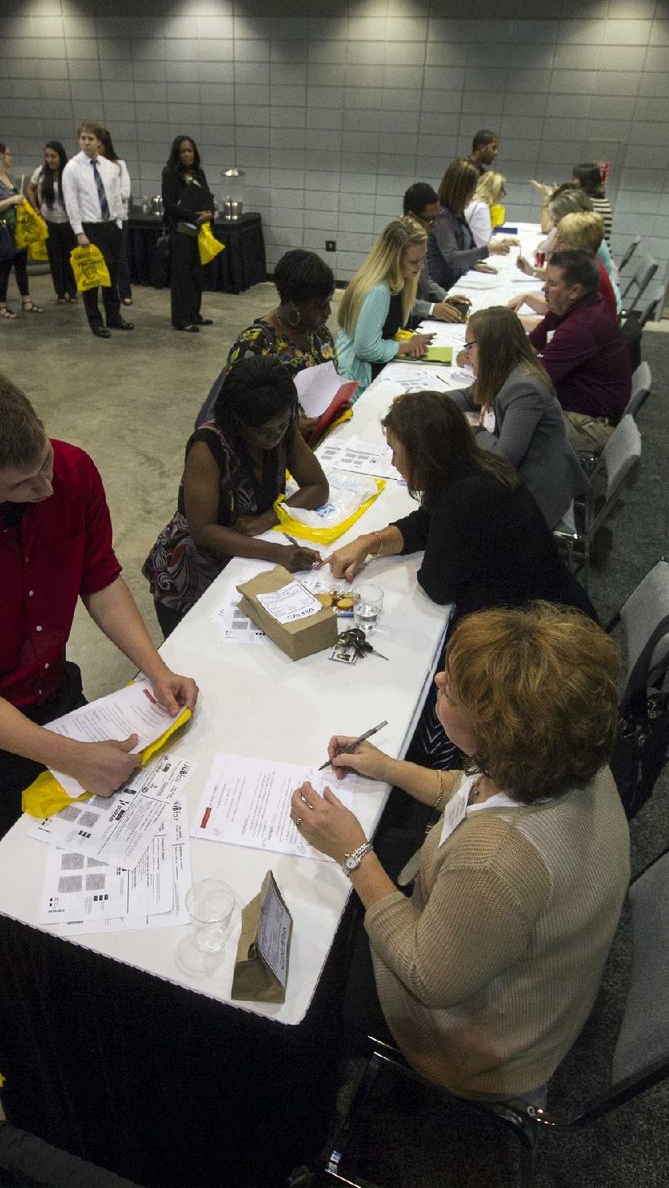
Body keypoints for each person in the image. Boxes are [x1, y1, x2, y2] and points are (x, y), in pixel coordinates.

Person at [290, 602, 629, 1101]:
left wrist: (353, 854)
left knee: (311, 968)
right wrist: (387, 768)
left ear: (497, 732)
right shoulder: (565, 757)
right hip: (515, 951)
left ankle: (317, 1088)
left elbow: (429, 978)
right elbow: (473, 792)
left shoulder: (495, 862)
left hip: (478, 1040)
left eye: (456, 690)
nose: (440, 679)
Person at [0, 365, 197, 859]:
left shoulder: (73, 470)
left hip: (52, 695)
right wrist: (74, 759)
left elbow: (101, 579)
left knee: (94, 839)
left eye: (44, 460)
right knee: (11, 862)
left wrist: (156, 670)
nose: (46, 487)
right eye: (23, 484)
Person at [327, 390, 595, 620]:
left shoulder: (464, 497)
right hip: (550, 605)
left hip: (546, 633)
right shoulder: (472, 466)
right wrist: (368, 542)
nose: (393, 462)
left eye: (395, 451)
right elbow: (425, 522)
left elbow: (436, 586)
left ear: (421, 454)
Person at [144, 355, 328, 638]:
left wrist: (269, 517)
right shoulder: (209, 446)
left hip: (245, 561)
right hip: (191, 575)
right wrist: (278, 553)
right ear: (237, 420)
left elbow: (317, 486)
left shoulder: (283, 427)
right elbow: (203, 530)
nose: (274, 438)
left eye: (280, 427)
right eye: (262, 432)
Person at [448, 307, 588, 529]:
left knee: (454, 511)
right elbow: (468, 396)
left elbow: (504, 457)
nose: (466, 355)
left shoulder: (523, 387)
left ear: (491, 347)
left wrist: (473, 431)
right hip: (525, 478)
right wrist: (428, 402)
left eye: (470, 346)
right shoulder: (504, 370)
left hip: (537, 495)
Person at [196, 248, 336, 431]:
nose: (328, 312)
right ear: (294, 303)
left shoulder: (319, 333)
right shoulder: (255, 345)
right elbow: (235, 414)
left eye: (329, 302)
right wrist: (288, 427)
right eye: (320, 306)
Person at [530, 250, 631, 452]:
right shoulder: (567, 308)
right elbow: (531, 344)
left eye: (552, 283)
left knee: (511, 422)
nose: (544, 288)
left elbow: (531, 380)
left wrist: (488, 365)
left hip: (593, 425)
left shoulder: (582, 326)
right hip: (576, 410)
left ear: (574, 291)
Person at [335, 219, 435, 395]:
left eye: (423, 258)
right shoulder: (379, 291)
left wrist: (407, 344)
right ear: (394, 259)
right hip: (356, 381)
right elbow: (366, 349)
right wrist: (405, 346)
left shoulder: (396, 282)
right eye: (414, 261)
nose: (421, 266)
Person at [62, 120, 133, 339]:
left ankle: (114, 316)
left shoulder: (110, 167)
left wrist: (119, 221)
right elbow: (71, 202)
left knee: (110, 276)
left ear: (98, 142)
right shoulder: (72, 168)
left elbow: (115, 196)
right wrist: (78, 231)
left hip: (111, 226)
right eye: (82, 138)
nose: (86, 142)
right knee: (91, 279)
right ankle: (95, 321)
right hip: (89, 229)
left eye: (90, 138)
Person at [0, 142, 43, 320]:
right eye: (8, 154)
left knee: (21, 266)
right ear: (0, 156)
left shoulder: (9, 177)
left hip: (17, 229)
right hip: (2, 229)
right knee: (4, 268)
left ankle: (26, 300)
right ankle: (2, 304)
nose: (11, 157)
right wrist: (12, 200)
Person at [427, 159, 513, 290]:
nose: (474, 194)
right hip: (441, 286)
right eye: (471, 190)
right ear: (461, 190)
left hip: (453, 280)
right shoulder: (443, 216)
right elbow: (452, 257)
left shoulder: (457, 212)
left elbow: (464, 247)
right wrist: (488, 250)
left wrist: (473, 263)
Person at [161, 135, 215, 332]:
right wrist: (193, 216)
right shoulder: (170, 174)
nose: (186, 154)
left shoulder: (199, 173)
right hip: (180, 232)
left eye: (189, 150)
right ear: (177, 154)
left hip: (198, 232)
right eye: (183, 151)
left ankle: (194, 313)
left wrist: (209, 213)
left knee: (195, 275)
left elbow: (207, 196)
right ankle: (181, 319)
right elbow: (170, 204)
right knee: (181, 277)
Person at [402, 183, 470, 324]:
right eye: (429, 219)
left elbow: (426, 281)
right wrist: (432, 308)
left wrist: (446, 298)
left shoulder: (419, 238)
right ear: (411, 215)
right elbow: (395, 301)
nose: (435, 224)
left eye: (437, 217)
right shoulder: (397, 243)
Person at [27, 140, 78, 304]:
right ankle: (60, 292)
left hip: (67, 221)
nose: (50, 160)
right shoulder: (41, 172)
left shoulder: (69, 171)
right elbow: (31, 188)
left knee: (69, 258)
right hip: (49, 221)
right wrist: (35, 208)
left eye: (53, 156)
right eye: (47, 156)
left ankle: (72, 291)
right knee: (55, 259)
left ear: (60, 157)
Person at [98, 127, 133, 307]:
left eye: (98, 143)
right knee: (103, 258)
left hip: (118, 218)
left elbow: (125, 192)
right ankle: (107, 292)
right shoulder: (87, 166)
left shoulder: (119, 165)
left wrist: (108, 199)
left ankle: (125, 292)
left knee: (120, 257)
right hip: (98, 220)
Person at [464, 170, 506, 248]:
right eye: (502, 192)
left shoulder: (472, 202)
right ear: (496, 191)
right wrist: (499, 248)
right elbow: (482, 246)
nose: (501, 196)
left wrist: (500, 243)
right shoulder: (481, 208)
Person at [572, 163, 613, 242]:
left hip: (589, 251)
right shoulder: (604, 200)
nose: (572, 182)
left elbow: (549, 228)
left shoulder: (582, 202)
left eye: (574, 178)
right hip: (602, 250)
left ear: (583, 181)